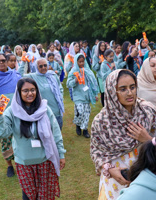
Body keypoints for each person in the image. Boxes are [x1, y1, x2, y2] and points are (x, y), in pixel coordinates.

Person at [0, 77, 66, 200]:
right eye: (25, 90)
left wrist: (61, 154)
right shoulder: (12, 111)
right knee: (28, 196)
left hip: (45, 160)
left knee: (46, 195)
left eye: (33, 90)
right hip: (24, 162)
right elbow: (3, 134)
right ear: (19, 92)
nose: (30, 93)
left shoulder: (44, 109)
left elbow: (56, 133)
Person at [90, 69, 156, 200]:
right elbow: (96, 151)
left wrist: (147, 139)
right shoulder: (101, 121)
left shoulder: (147, 111)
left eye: (132, 87)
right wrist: (108, 169)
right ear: (112, 91)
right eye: (123, 89)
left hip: (145, 177)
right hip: (115, 180)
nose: (130, 93)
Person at [24, 58, 64, 130]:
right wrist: (24, 62)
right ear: (36, 67)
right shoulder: (32, 77)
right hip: (43, 113)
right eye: (41, 66)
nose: (43, 68)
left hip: (56, 111)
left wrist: (60, 97)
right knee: (46, 135)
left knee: (57, 133)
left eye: (45, 65)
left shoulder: (53, 75)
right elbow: (20, 76)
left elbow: (60, 88)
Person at [67, 53, 99, 138]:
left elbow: (93, 84)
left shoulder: (87, 71)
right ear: (76, 62)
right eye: (79, 62)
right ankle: (78, 124)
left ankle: (84, 129)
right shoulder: (73, 71)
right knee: (80, 112)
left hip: (87, 95)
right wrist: (75, 81)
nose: (81, 64)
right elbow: (68, 84)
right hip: (78, 96)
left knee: (86, 113)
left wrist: (95, 94)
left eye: (83, 62)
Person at [92, 41, 107, 106]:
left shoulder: (107, 54)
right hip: (100, 76)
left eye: (104, 46)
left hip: (108, 74)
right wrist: (99, 63)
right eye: (101, 46)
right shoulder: (95, 56)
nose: (103, 47)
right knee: (103, 92)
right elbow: (94, 68)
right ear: (98, 47)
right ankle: (104, 106)